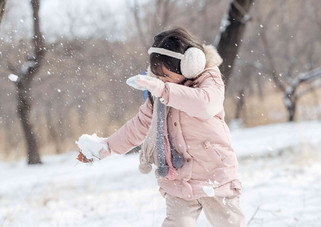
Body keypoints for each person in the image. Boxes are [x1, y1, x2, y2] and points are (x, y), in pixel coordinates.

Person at [94, 27, 246, 227]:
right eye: (157, 75)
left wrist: (165, 90)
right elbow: (140, 124)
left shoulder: (209, 79)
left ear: (189, 64)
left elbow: (205, 105)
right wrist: (109, 146)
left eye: (164, 74)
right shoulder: (158, 91)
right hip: (180, 180)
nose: (160, 80)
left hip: (215, 177)